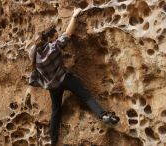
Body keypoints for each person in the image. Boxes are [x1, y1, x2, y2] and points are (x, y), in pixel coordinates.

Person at [28, 8, 120, 146]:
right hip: (65, 78)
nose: (56, 37)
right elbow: (67, 34)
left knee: (56, 112)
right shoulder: (53, 48)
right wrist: (74, 15)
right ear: (51, 38)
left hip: (52, 86)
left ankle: (53, 141)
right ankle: (103, 115)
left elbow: (35, 45)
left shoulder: (33, 54)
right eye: (55, 35)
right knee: (86, 96)